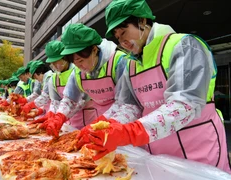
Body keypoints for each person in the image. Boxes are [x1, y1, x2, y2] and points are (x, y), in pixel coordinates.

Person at [77, 0, 231, 173]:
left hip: (197, 151)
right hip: (156, 152)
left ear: (142, 21)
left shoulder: (184, 46)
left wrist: (129, 132)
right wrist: (105, 124)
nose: (123, 41)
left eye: (124, 32)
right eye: (118, 37)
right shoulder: (131, 64)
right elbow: (129, 106)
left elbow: (184, 105)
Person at [40, 23, 135, 137]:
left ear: (94, 50)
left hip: (123, 123)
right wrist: (59, 116)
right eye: (75, 62)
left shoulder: (119, 62)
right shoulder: (78, 72)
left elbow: (126, 103)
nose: (79, 66)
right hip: (98, 123)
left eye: (80, 60)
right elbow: (70, 99)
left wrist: (100, 123)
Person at [26, 40, 98, 129]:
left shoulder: (80, 71)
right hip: (69, 124)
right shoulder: (54, 78)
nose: (54, 65)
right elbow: (55, 101)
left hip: (89, 121)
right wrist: (51, 114)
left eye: (56, 61)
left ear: (65, 58)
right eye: (52, 63)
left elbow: (82, 101)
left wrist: (61, 116)